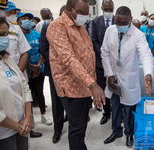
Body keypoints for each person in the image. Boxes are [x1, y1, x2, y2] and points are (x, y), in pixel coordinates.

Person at [46, 0, 106, 149]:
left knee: (81, 127)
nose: (85, 16)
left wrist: (93, 85)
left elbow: (89, 56)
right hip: (71, 88)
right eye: (81, 12)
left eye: (87, 13)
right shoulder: (57, 26)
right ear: (69, 9)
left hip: (85, 86)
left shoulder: (81, 27)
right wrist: (92, 85)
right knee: (77, 130)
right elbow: (69, 58)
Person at [101, 6, 153, 147]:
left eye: (123, 23)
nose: (120, 26)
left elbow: (146, 55)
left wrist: (148, 73)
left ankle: (129, 134)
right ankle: (116, 131)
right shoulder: (110, 30)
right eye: (117, 22)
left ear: (130, 20)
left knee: (128, 109)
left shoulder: (138, 35)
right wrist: (109, 74)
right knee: (115, 106)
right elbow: (104, 52)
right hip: (113, 77)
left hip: (129, 78)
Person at [0, 15, 32, 150]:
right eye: (1, 34)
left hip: (22, 125)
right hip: (2, 133)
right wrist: (17, 126)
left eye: (6, 34)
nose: (5, 39)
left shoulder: (6, 59)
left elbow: (24, 87)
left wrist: (27, 117)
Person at [17, 12, 52, 126]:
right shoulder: (18, 36)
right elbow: (21, 54)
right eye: (24, 18)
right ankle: (30, 119)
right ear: (18, 21)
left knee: (39, 92)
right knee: (28, 95)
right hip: (25, 70)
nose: (27, 20)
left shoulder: (36, 34)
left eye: (29, 19)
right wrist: (30, 67)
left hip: (38, 68)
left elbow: (43, 49)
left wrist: (38, 64)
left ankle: (43, 115)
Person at [40, 4, 67, 144]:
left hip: (71, 72)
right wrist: (57, 64)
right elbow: (44, 49)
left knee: (71, 100)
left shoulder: (74, 29)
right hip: (55, 72)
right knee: (57, 102)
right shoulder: (48, 27)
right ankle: (58, 130)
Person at [91, 0, 115, 125]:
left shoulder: (118, 21)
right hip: (100, 62)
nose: (109, 12)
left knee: (115, 88)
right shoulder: (96, 22)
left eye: (110, 9)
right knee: (103, 87)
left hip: (116, 63)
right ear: (102, 8)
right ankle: (106, 113)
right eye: (106, 9)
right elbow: (94, 40)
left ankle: (116, 112)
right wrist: (103, 53)